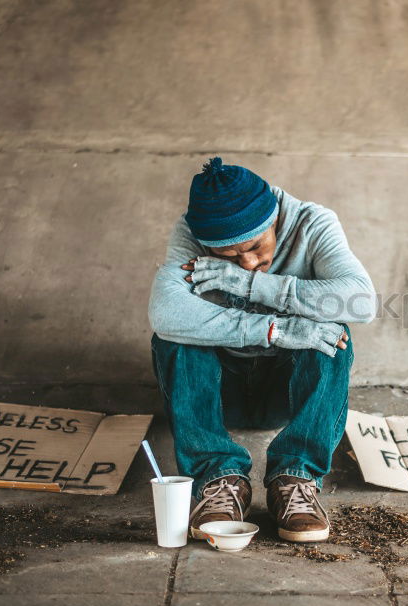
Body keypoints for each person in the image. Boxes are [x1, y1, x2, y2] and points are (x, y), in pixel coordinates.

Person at [148, 158, 376, 543]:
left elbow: (362, 302)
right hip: (219, 391)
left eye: (255, 246)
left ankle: (296, 478)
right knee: (173, 338)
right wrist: (276, 329)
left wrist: (253, 286)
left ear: (276, 219)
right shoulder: (191, 232)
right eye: (228, 256)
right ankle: (219, 477)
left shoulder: (312, 222)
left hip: (284, 391)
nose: (250, 262)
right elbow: (165, 311)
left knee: (331, 333)